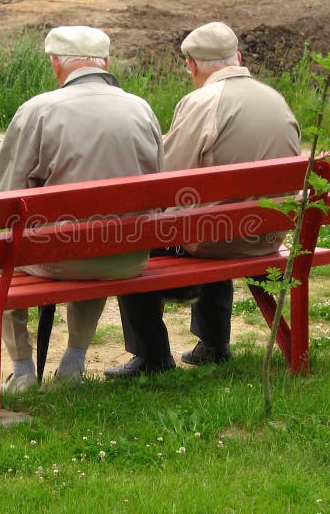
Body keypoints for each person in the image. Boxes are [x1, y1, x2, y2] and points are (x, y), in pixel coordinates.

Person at [105, 21, 301, 378]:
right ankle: (213, 343)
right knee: (218, 214)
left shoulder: (202, 101)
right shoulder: (275, 99)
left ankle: (151, 354)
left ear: (192, 65)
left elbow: (166, 176)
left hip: (221, 238)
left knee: (135, 235)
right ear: (238, 58)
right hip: (270, 233)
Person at [0, 25, 164, 393]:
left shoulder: (38, 110)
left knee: (1, 244)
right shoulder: (141, 108)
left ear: (57, 65)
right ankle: (73, 362)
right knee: (102, 232)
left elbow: (6, 198)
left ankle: (23, 371)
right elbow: (159, 184)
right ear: (105, 63)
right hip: (128, 255)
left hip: (63, 258)